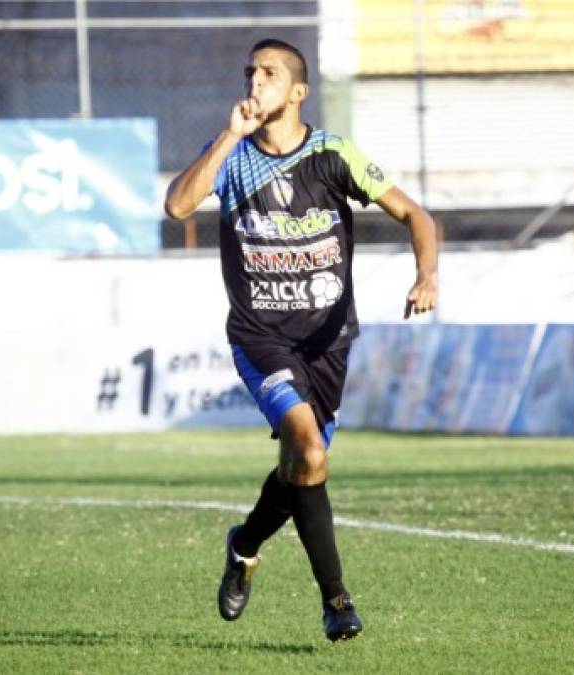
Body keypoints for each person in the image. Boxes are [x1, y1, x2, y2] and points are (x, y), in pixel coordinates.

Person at [165, 38, 438, 642]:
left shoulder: (333, 153)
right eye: (249, 73)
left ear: (297, 92)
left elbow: (416, 215)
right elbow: (178, 205)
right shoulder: (230, 155)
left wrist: (427, 274)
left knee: (301, 466)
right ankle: (337, 601)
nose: (254, 82)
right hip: (260, 337)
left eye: (268, 74)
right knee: (309, 451)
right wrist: (228, 137)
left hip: (328, 342)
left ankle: (244, 544)